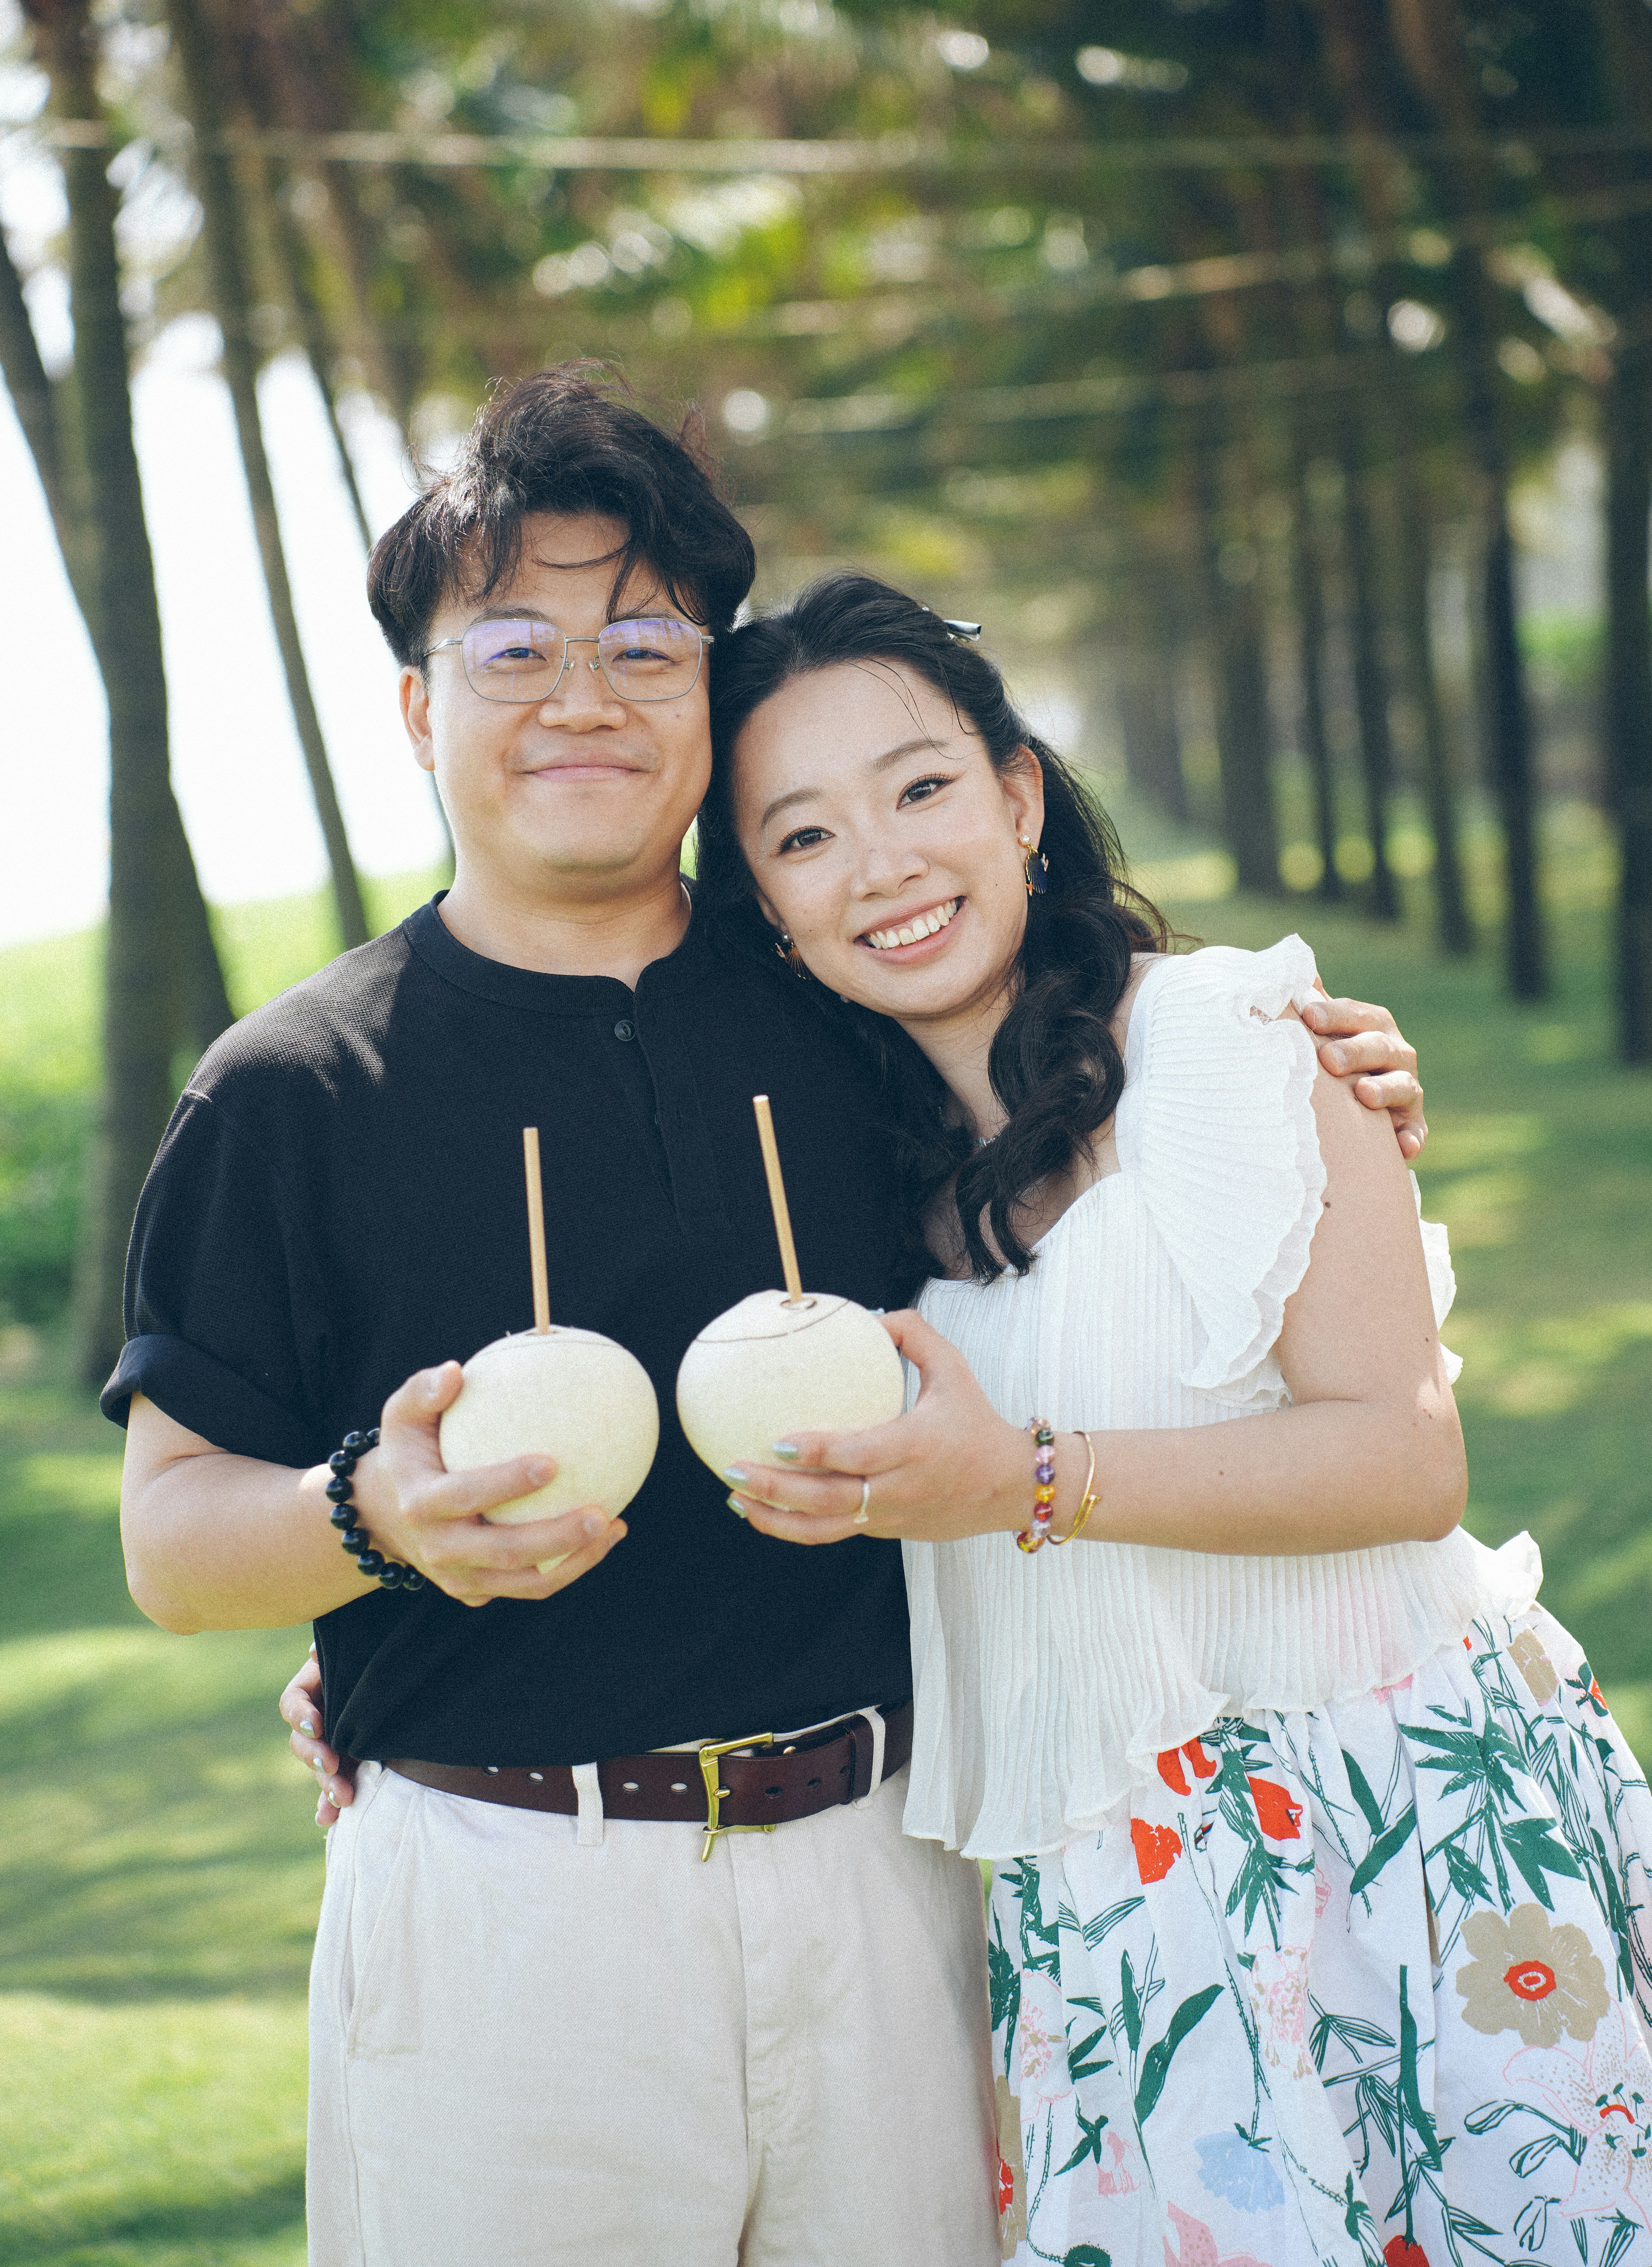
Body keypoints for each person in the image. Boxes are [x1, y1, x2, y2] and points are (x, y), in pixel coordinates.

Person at [109, 365, 1424, 2267]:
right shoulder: (292, 1091)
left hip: (895, 1868)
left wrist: (1314, 1068)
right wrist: (371, 1526)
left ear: (708, 697)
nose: (584, 696)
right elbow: (169, 1540)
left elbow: (1106, 1117)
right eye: (515, 647)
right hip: (500, 1900)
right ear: (417, 706)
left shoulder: (843, 1001)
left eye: (646, 642)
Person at [683, 572, 1652, 2267]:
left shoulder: (1218, 1036)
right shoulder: (842, 1212)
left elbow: (1406, 1457)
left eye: (920, 789)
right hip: (1121, 1921)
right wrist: (382, 1674)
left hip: (1402, 1845)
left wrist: (1024, 1479)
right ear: (764, 906)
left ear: (1019, 794)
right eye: (805, 836)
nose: (888, 865)